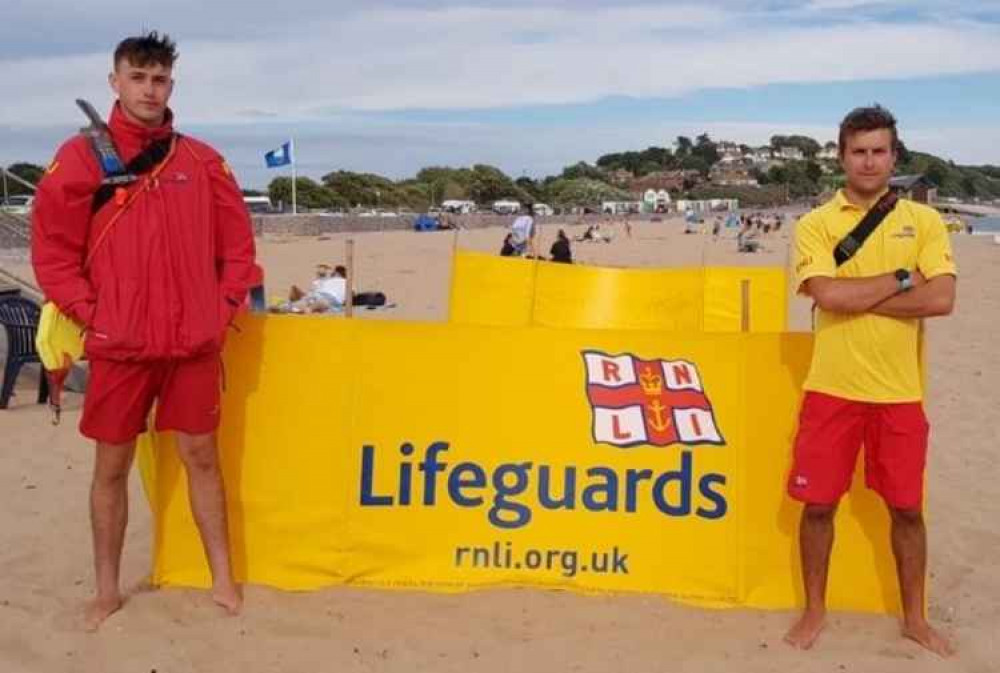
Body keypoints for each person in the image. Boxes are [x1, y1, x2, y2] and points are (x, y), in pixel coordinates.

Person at [31, 32, 257, 630]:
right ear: (115, 81)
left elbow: (238, 246)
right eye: (137, 77)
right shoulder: (81, 157)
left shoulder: (202, 159)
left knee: (202, 458)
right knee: (111, 466)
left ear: (171, 87)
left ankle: (223, 579)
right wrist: (93, 314)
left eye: (158, 80)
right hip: (120, 346)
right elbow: (52, 251)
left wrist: (222, 307)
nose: (148, 90)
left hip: (191, 345)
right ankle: (107, 591)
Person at [785, 105, 956, 656]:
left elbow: (943, 298)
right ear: (841, 157)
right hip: (831, 388)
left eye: (878, 150)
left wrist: (858, 295)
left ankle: (914, 618)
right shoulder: (815, 224)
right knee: (818, 506)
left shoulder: (926, 222)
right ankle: (814, 609)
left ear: (893, 156)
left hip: (899, 392)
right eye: (858, 151)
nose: (868, 161)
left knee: (908, 508)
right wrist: (904, 279)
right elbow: (828, 295)